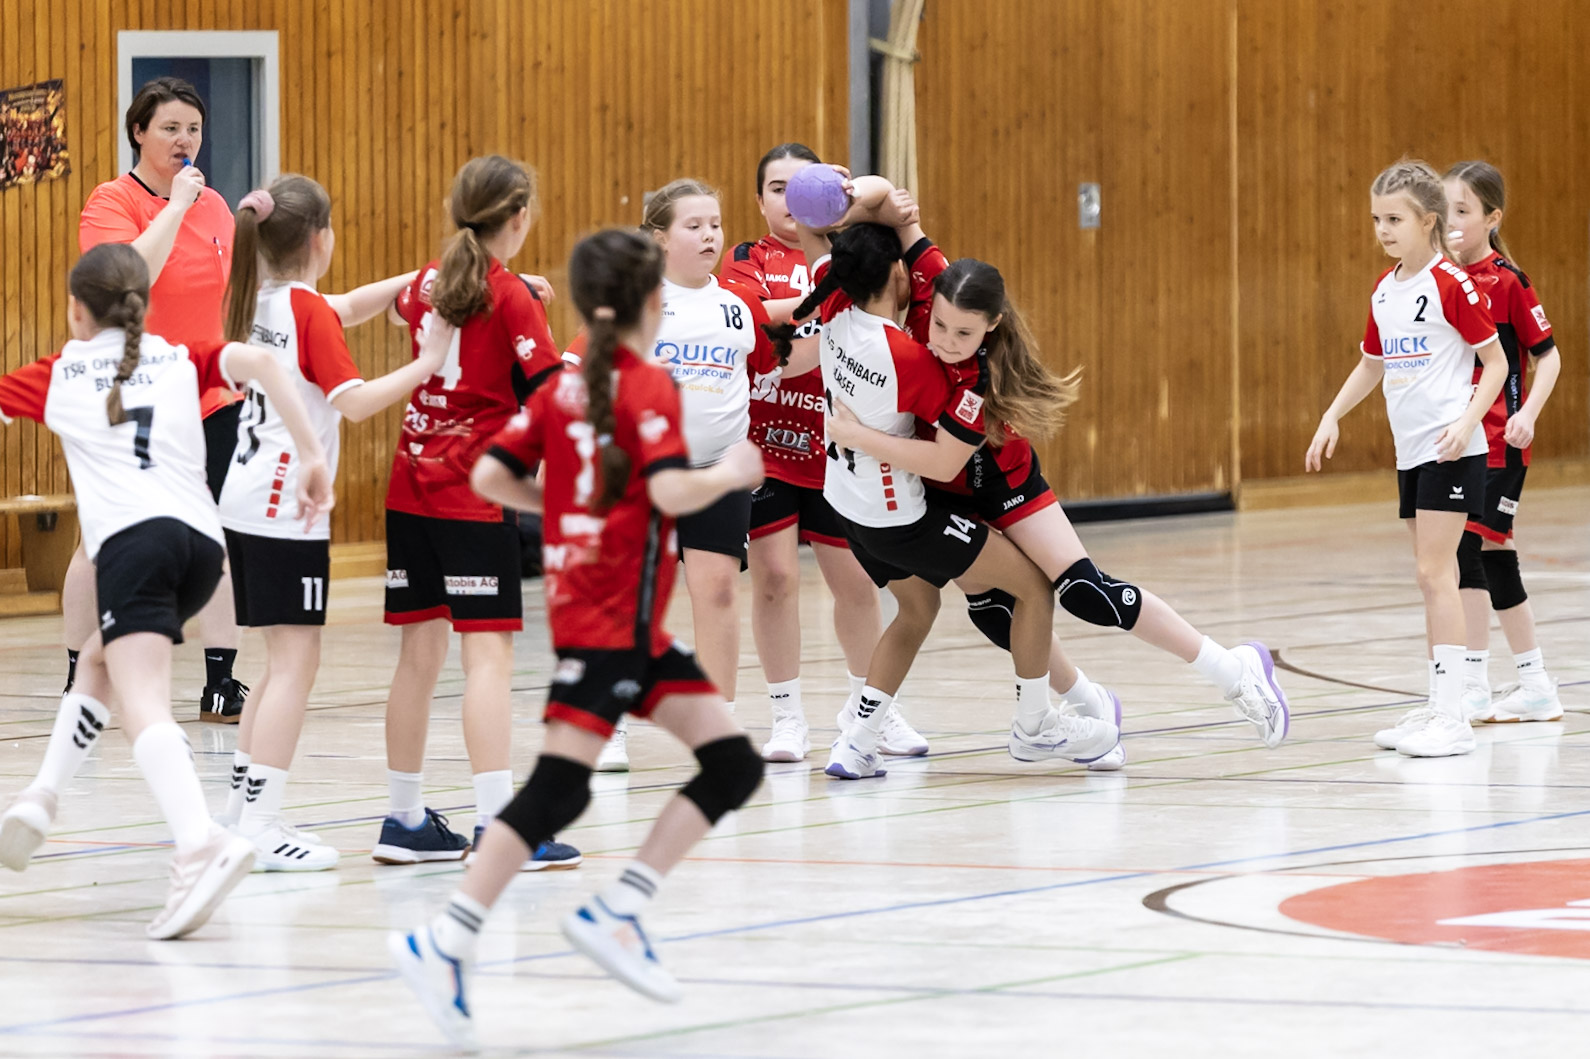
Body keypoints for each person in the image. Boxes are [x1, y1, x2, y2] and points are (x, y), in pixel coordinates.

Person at [390, 229, 766, 1048]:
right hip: (613, 625)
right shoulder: (646, 385)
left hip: (610, 620)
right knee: (562, 791)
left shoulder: (561, 389)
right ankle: (450, 939)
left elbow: (490, 475)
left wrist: (565, 509)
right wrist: (731, 474)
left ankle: (613, 910)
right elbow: (669, 491)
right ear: (652, 301)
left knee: (730, 763)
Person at [825, 247, 1291, 755]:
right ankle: (1091, 706)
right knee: (995, 612)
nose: (946, 342)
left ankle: (1233, 670)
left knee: (1086, 593)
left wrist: (854, 435)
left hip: (1003, 481)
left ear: (991, 326)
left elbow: (944, 459)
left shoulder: (975, 381)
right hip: (945, 493)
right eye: (939, 326)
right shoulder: (933, 298)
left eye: (964, 334)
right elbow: (900, 220)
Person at [0, 244, 332, 936]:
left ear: (76, 311)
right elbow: (267, 364)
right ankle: (42, 795)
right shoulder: (180, 356)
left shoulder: (58, 373)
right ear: (142, 305)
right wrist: (310, 454)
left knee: (143, 697)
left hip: (135, 546)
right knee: (99, 661)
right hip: (204, 551)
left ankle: (199, 842)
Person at [768, 178, 1120, 781]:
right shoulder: (912, 360)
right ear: (896, 276)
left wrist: (852, 203)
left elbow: (813, 232)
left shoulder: (833, 309)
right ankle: (1036, 726)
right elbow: (945, 459)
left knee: (916, 608)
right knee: (1035, 588)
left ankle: (856, 742)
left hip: (848, 511)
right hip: (903, 519)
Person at [215, 175, 450, 869]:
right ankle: (263, 825)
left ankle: (240, 812)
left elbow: (342, 306)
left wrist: (419, 278)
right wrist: (429, 362)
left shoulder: (256, 299)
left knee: (275, 662)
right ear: (322, 240)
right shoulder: (305, 311)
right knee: (297, 664)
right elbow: (354, 401)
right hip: (286, 504)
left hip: (242, 499)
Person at [370, 155, 580, 871]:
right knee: (487, 658)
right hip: (474, 496)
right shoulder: (511, 296)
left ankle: (403, 818)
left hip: (410, 490)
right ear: (518, 218)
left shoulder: (431, 281)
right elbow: (550, 397)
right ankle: (498, 827)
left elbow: (410, 304)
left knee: (417, 657)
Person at [722, 144, 928, 762]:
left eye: (800, 186)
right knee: (775, 579)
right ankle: (787, 718)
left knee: (858, 584)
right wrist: (826, 305)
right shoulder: (746, 260)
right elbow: (750, 321)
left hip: (836, 445)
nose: (790, 200)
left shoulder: (856, 250)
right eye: (776, 189)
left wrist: (865, 207)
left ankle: (873, 709)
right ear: (760, 200)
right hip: (765, 446)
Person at [1306, 159, 1506, 758]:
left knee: (1436, 574)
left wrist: (1466, 423)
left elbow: (1496, 363)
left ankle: (1453, 717)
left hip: (1451, 449)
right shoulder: (1385, 289)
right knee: (1429, 578)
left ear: (1428, 221)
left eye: (1394, 219)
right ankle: (1439, 704)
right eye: (1377, 219)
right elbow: (1373, 364)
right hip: (1411, 451)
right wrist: (1331, 415)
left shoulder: (1452, 284)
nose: (1383, 230)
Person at [74, 75, 246, 722]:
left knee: (214, 533)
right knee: (106, 540)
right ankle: (80, 678)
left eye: (194, 129)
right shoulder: (111, 201)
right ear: (139, 132)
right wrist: (173, 208)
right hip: (134, 392)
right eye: (170, 128)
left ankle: (221, 682)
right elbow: (127, 280)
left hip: (210, 394)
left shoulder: (217, 206)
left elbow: (233, 296)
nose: (185, 140)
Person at [1443, 161, 1564, 724]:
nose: (1451, 221)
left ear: (1492, 218)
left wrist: (1528, 414)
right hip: (1457, 442)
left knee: (1468, 551)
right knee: (1495, 558)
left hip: (1499, 444)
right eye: (1444, 210)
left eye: (1463, 210)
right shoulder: (1441, 281)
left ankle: (1472, 683)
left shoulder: (1508, 281)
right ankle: (1535, 686)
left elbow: (1549, 357)